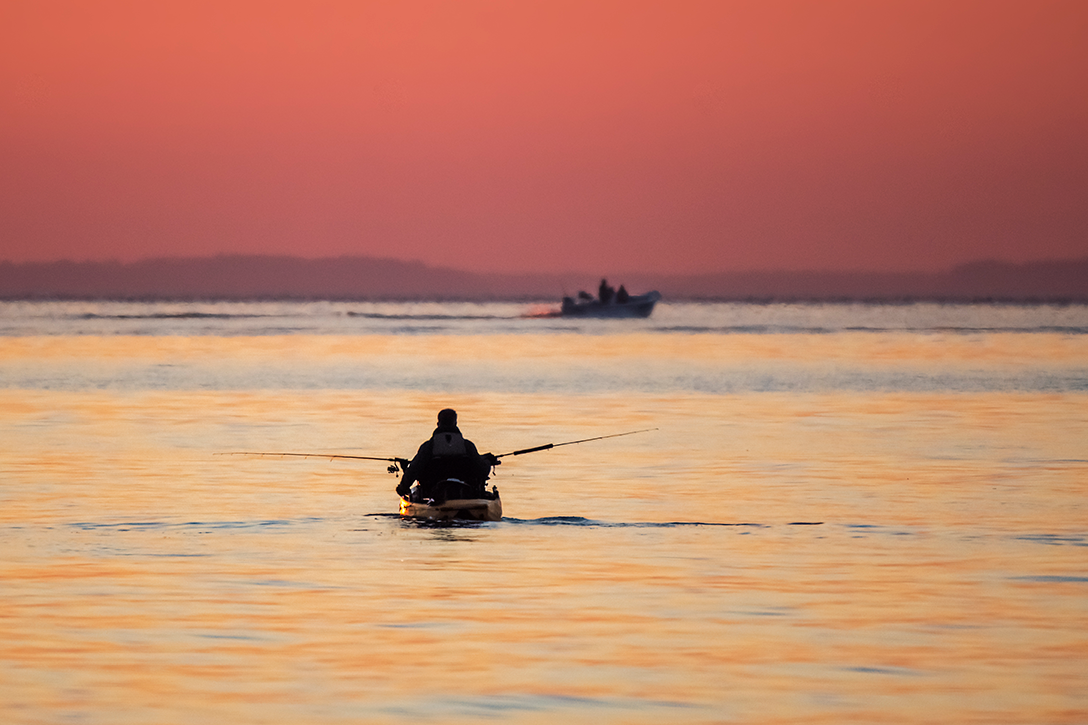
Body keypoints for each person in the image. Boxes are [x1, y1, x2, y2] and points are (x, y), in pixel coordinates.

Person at [396, 409, 497, 500]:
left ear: (438, 423)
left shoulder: (428, 447)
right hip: (465, 492)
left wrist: (403, 487)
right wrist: (487, 461)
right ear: (455, 423)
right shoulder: (467, 446)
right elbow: (482, 470)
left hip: (433, 493)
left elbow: (414, 469)